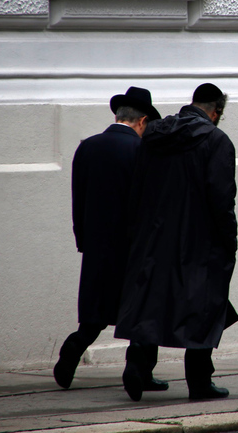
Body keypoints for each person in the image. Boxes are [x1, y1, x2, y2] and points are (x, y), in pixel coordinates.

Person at [114, 83, 238, 402]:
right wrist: (230, 241)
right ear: (217, 111)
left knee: (152, 301)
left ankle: (136, 366)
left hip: (154, 237)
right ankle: (199, 382)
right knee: (205, 306)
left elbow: (136, 187)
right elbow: (222, 199)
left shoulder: (155, 133)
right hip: (199, 240)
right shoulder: (216, 140)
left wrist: (137, 233)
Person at [54, 87, 167, 392]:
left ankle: (72, 350)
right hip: (133, 248)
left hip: (96, 247)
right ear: (142, 121)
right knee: (143, 312)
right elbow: (148, 204)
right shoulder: (141, 151)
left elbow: (78, 200)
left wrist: (83, 240)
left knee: (95, 314)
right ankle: (138, 369)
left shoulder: (87, 147)